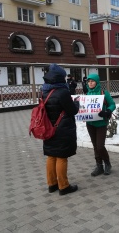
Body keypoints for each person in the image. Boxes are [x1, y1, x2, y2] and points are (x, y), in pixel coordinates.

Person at [42, 64, 80, 196]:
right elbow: (72, 111)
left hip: (48, 128)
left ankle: (52, 184)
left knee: (51, 156)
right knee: (62, 157)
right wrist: (76, 103)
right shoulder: (63, 92)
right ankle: (64, 186)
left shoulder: (44, 90)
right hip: (62, 129)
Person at [86, 73, 116, 176]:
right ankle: (99, 166)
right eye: (89, 81)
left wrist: (107, 111)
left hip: (101, 123)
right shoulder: (87, 94)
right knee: (95, 146)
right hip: (90, 123)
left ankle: (107, 163)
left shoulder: (104, 93)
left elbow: (112, 104)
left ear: (97, 82)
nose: (90, 83)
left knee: (100, 146)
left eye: (92, 81)